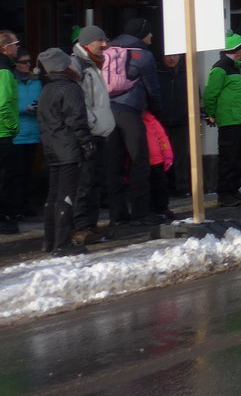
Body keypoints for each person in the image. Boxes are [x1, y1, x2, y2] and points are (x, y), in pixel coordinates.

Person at [105, 17, 163, 226]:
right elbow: (152, 89)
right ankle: (141, 212)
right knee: (139, 161)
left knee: (114, 164)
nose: (152, 36)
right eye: (149, 32)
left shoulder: (109, 51)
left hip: (108, 112)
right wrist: (157, 110)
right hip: (130, 111)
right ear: (141, 33)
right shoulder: (144, 56)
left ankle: (117, 215)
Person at [35, 47, 91, 256]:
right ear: (63, 66)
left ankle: (49, 241)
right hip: (68, 148)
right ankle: (62, 244)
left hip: (52, 148)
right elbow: (77, 120)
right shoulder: (69, 88)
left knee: (53, 196)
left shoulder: (46, 89)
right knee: (66, 196)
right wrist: (87, 143)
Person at [69, 26, 115, 244]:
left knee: (96, 182)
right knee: (85, 183)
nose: (105, 45)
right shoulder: (80, 65)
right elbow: (81, 102)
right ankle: (81, 227)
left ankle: (92, 225)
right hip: (88, 134)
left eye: (105, 40)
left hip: (98, 133)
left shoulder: (93, 64)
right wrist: (92, 123)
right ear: (87, 43)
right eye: (100, 41)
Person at [204, 32, 241, 207]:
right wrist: (211, 113)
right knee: (228, 157)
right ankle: (224, 193)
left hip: (240, 118)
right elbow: (211, 94)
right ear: (236, 50)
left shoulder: (237, 65)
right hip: (229, 119)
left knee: (237, 157)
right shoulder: (221, 68)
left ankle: (234, 190)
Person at [13, 48, 43, 219]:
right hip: (17, 133)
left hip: (33, 132)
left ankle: (26, 205)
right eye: (23, 62)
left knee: (28, 173)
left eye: (29, 62)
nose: (28, 65)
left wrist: (39, 106)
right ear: (16, 65)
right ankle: (15, 206)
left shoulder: (36, 81)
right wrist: (25, 108)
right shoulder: (10, 81)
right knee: (16, 173)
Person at [157, 53, 191, 196]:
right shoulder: (156, 72)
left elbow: (195, 95)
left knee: (181, 156)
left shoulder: (187, 72)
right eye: (168, 56)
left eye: (175, 55)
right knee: (162, 156)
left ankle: (181, 187)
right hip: (161, 122)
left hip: (181, 120)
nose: (172, 59)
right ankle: (164, 187)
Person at [0, 31, 21, 233]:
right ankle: (5, 220)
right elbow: (4, 103)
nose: (17, 48)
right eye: (15, 44)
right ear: (5, 48)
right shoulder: (4, 71)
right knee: (6, 178)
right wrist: (13, 126)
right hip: (3, 132)